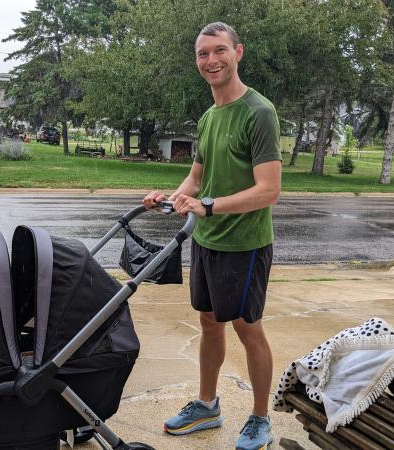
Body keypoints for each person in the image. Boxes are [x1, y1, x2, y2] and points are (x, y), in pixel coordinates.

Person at [142, 22, 282, 450]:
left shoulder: (259, 112)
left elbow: (269, 190)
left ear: (238, 52)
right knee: (208, 322)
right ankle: (207, 405)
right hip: (207, 239)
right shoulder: (208, 117)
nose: (211, 60)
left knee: (248, 329)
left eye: (219, 50)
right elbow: (197, 176)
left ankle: (260, 418)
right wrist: (170, 199)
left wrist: (208, 205)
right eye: (203, 54)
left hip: (245, 244)